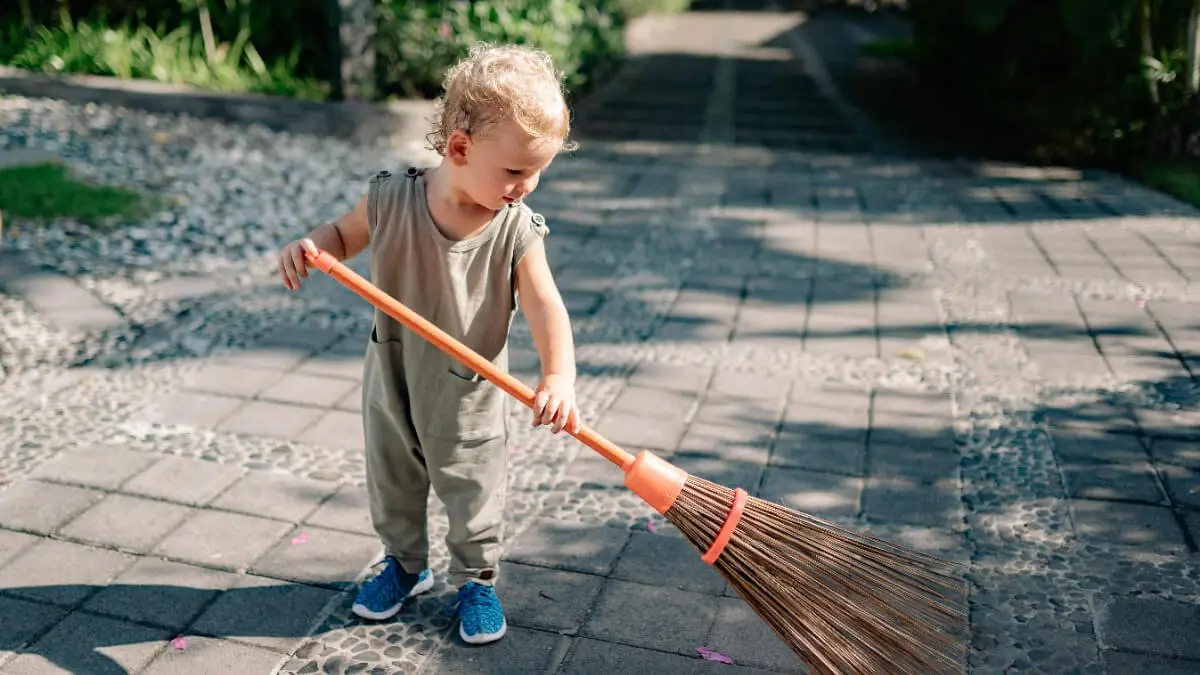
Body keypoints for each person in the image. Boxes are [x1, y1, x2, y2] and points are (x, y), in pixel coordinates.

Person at [276, 42, 582, 645]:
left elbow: (547, 304)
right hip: (391, 373)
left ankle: (476, 579)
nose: (528, 185)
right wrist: (310, 248)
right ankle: (404, 564)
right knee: (393, 477)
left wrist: (559, 377)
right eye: (517, 171)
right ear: (460, 149)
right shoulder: (391, 197)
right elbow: (341, 234)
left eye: (537, 170)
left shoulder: (514, 228)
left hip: (468, 390)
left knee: (472, 487)